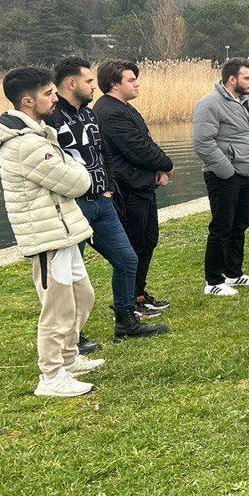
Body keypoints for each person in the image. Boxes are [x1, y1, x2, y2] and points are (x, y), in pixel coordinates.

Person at [0, 68, 100, 397]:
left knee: (82, 297)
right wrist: (76, 169)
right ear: (28, 101)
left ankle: (69, 357)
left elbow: (70, 175)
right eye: (49, 94)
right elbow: (79, 181)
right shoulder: (27, 145)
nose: (55, 99)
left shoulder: (38, 136)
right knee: (58, 308)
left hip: (62, 229)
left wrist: (71, 168)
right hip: (48, 235)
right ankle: (51, 376)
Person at [52, 57, 166, 343]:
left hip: (101, 201)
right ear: (71, 83)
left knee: (127, 259)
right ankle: (72, 335)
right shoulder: (52, 119)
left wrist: (108, 187)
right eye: (89, 81)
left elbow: (103, 155)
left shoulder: (90, 115)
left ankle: (126, 321)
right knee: (69, 272)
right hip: (72, 204)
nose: (93, 86)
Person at [94, 59, 174, 320]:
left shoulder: (126, 108)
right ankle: (129, 300)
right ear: (114, 84)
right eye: (130, 79)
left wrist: (158, 169)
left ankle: (139, 293)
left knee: (147, 240)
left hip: (143, 184)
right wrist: (166, 164)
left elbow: (146, 141)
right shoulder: (109, 112)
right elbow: (136, 148)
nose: (136, 83)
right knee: (134, 243)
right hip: (126, 188)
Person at [193, 58, 249, 294]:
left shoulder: (245, 102)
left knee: (240, 225)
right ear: (232, 79)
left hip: (247, 173)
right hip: (224, 175)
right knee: (221, 226)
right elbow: (203, 143)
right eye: (247, 78)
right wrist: (227, 171)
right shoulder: (210, 104)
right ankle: (213, 281)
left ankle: (234, 273)